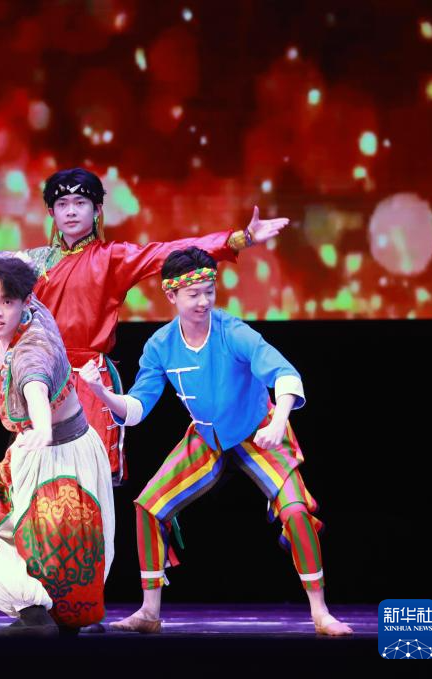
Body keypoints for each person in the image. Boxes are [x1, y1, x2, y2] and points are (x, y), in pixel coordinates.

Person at [0, 166, 288, 485]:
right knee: (36, 477)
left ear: (97, 210)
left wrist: (239, 239)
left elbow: (168, 251)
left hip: (88, 380)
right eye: (62, 204)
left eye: (81, 203)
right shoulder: (35, 261)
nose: (71, 211)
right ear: (51, 213)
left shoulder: (113, 258)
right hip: (40, 375)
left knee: (88, 481)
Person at [80, 246, 352, 636]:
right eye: (194, 294)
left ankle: (321, 613)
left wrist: (279, 420)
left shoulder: (232, 331)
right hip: (206, 439)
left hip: (259, 432)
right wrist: (101, 393)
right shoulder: (160, 345)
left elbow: (285, 374)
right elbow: (136, 409)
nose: (204, 301)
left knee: (296, 512)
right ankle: (149, 612)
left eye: (209, 291)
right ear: (171, 295)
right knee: (148, 507)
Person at [0, 257, 114, 636]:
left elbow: (35, 385)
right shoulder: (22, 308)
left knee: (56, 556)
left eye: (6, 302)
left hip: (60, 456)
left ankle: (40, 616)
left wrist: (41, 427)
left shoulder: (32, 348)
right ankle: (36, 613)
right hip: (35, 450)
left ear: (26, 301)